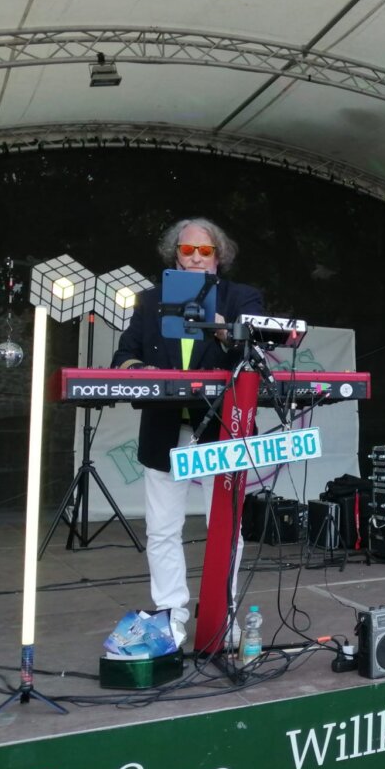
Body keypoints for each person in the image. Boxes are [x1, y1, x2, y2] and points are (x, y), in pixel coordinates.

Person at [112, 217, 265, 650]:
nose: (196, 257)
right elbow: (124, 355)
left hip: (222, 428)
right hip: (165, 429)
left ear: (219, 256)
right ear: (174, 256)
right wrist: (140, 370)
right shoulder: (150, 301)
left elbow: (255, 352)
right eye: (187, 250)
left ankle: (222, 611)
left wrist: (222, 326)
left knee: (226, 529)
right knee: (162, 529)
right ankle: (172, 616)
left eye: (205, 250)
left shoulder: (241, 297)